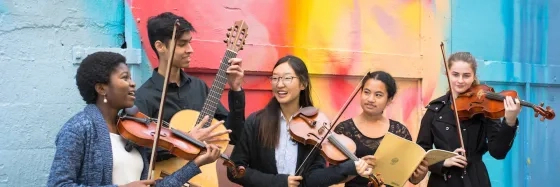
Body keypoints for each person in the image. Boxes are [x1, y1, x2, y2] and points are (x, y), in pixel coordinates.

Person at [47, 51, 221, 187]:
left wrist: (196, 164)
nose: (133, 83)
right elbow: (58, 184)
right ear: (101, 88)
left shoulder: (132, 131)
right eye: (124, 78)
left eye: (131, 77)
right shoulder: (78, 129)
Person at [227, 55, 374, 187]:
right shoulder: (256, 121)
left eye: (287, 78)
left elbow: (312, 179)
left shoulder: (316, 125)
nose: (279, 84)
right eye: (275, 78)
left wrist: (348, 167)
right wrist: (278, 182)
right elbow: (234, 169)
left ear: (303, 84)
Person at [134, 12, 246, 161]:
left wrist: (236, 90)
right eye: (182, 44)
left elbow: (232, 136)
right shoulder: (144, 97)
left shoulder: (199, 87)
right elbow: (138, 151)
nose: (190, 49)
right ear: (160, 46)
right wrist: (185, 140)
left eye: (189, 42)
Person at [415, 52, 521, 187]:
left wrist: (510, 122)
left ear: (473, 77)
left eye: (466, 75)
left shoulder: (484, 107)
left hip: (475, 180)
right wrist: (442, 162)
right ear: (447, 74)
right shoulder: (435, 110)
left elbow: (498, 152)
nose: (460, 80)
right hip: (443, 181)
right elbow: (420, 152)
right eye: (455, 74)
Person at [333, 71, 430, 187]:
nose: (370, 99)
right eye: (366, 92)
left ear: (389, 99)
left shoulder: (399, 131)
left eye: (378, 95)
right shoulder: (344, 130)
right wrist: (356, 169)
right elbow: (333, 177)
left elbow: (412, 178)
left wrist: (420, 174)